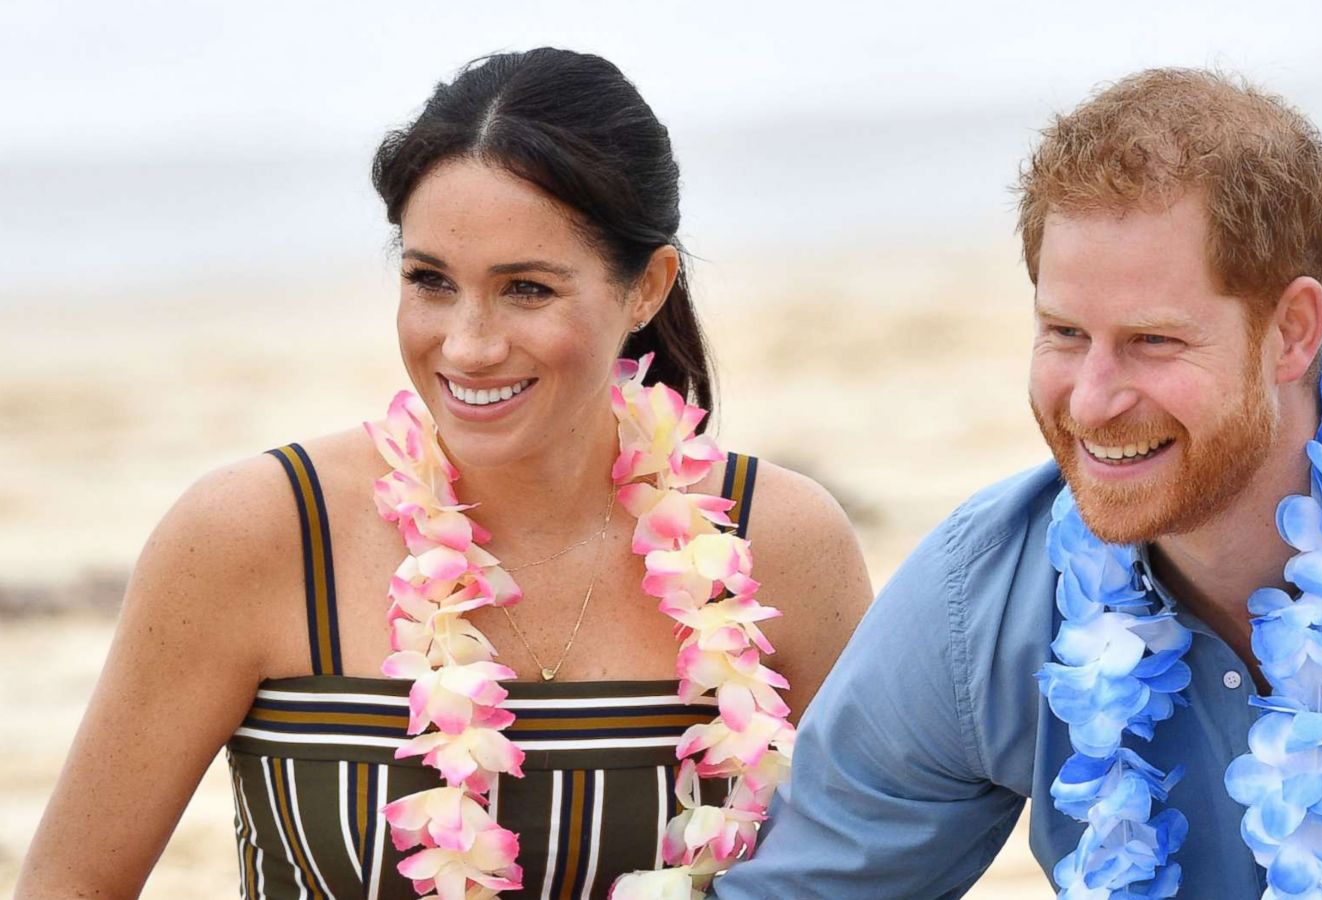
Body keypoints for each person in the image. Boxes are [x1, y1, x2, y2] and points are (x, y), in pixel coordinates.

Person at [711, 69, 1322, 900]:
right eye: (1064, 332)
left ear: (1293, 333)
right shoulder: (978, 595)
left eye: (1154, 342)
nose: (1093, 402)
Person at [19, 48, 872, 900]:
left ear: (645, 288)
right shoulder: (256, 534)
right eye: (430, 280)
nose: (468, 344)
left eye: (526, 290)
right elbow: (70, 887)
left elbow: (875, 872)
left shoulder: (780, 542)